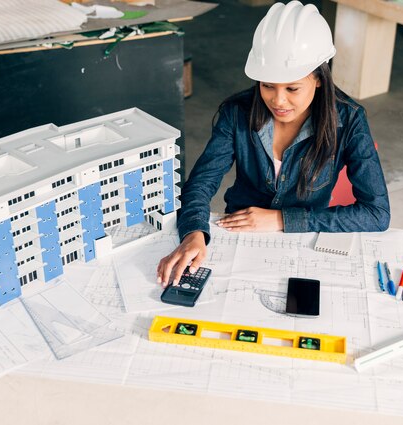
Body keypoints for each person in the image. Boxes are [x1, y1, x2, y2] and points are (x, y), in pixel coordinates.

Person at [157, 1, 390, 287]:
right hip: (239, 234)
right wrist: (194, 230)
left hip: (302, 239)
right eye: (267, 85)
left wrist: (281, 219)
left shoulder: (350, 120)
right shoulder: (237, 112)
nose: (278, 101)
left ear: (319, 78)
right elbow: (201, 183)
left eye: (292, 88)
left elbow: (376, 214)